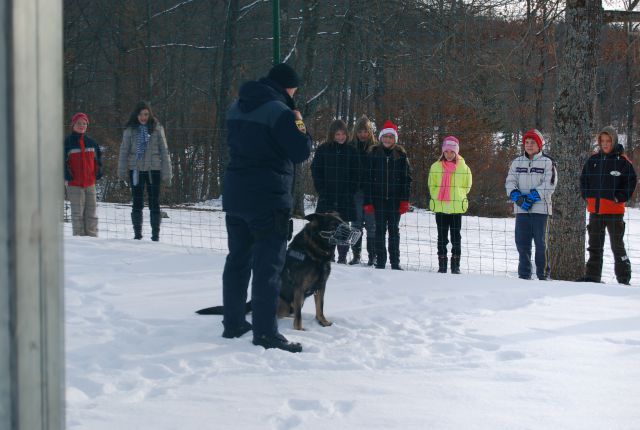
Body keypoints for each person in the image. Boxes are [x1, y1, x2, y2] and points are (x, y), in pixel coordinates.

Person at [222, 63, 312, 353]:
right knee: (268, 267)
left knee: (238, 259)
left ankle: (233, 322)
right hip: (268, 197)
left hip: (236, 194)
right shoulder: (280, 112)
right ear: (288, 87)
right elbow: (300, 151)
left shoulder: (237, 106)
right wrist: (300, 123)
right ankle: (265, 332)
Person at [578, 126, 637, 285]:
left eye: (608, 141)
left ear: (614, 141)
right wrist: (587, 196)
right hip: (595, 211)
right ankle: (592, 277)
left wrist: (620, 197)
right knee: (594, 246)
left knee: (617, 246)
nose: (605, 144)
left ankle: (624, 279)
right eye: (602, 141)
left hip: (614, 212)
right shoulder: (593, 160)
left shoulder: (622, 162)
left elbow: (631, 182)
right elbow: (584, 180)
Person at [505, 129, 557, 280]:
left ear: (539, 145)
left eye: (533, 142)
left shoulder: (548, 162)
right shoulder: (517, 162)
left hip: (541, 210)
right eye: (526, 142)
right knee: (522, 243)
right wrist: (517, 197)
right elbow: (510, 181)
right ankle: (524, 274)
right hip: (522, 210)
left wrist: (533, 196)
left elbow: (550, 183)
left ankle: (542, 275)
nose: (529, 145)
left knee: (541, 244)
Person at [117, 101, 172, 241]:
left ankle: (155, 236)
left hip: (154, 170)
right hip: (136, 170)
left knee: (154, 203)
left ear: (150, 114)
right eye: (141, 114)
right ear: (136, 115)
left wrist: (167, 172)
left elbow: (164, 151)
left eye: (146, 114)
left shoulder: (157, 128)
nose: (143, 117)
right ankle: (137, 235)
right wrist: (122, 170)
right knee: (137, 202)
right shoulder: (130, 130)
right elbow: (124, 151)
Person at [363, 120, 412, 270]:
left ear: (395, 139)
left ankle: (395, 262)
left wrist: (404, 200)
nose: (388, 140)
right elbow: (367, 179)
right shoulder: (373, 154)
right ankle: (380, 261)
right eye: (386, 136)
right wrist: (368, 201)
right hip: (378, 200)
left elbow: (407, 179)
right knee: (379, 230)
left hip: (395, 201)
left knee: (394, 231)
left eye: (391, 137)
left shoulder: (401, 156)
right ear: (381, 137)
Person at [311, 119, 359, 264]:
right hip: (327, 195)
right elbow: (316, 170)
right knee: (327, 227)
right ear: (332, 134)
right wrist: (321, 190)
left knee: (343, 227)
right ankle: (328, 256)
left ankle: (342, 258)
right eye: (337, 134)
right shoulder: (323, 149)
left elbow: (357, 173)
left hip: (345, 196)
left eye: (343, 134)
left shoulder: (351, 151)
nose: (340, 137)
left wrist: (351, 190)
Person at [428, 136, 472, 274]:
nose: (448, 154)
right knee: (441, 237)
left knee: (455, 237)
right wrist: (438, 193)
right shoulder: (435, 167)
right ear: (443, 151)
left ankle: (455, 265)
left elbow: (467, 185)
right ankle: (442, 265)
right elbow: (431, 184)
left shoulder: (464, 168)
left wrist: (458, 195)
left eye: (451, 152)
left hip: (456, 208)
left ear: (456, 152)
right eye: (446, 151)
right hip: (440, 207)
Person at [64, 112, 103, 237]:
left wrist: (98, 171)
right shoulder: (67, 143)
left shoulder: (91, 142)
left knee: (91, 213)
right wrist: (67, 175)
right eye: (79, 123)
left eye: (84, 123)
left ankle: (92, 239)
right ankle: (79, 239)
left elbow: (98, 160)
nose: (82, 125)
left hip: (90, 183)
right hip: (74, 184)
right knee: (77, 214)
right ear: (73, 125)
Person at [349, 116, 377, 266]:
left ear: (370, 132)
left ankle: (373, 256)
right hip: (356, 192)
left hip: (371, 192)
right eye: (359, 131)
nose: (362, 134)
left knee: (372, 225)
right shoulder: (351, 147)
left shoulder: (376, 148)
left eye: (365, 131)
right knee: (356, 224)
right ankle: (356, 255)